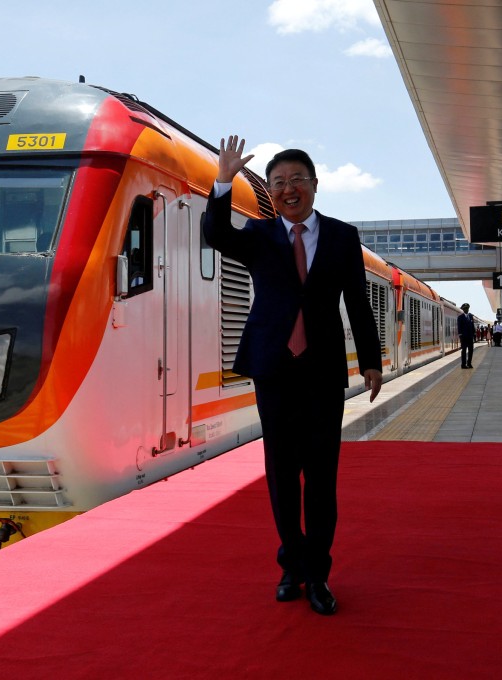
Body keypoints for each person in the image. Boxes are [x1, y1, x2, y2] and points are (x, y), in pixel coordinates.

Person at [202, 137, 383, 616]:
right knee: (282, 475)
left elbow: (359, 304)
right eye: (279, 182)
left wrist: (371, 361)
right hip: (274, 369)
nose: (288, 189)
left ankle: (319, 575)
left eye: (297, 180)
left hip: (323, 370)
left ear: (315, 186)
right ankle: (291, 566)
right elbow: (215, 235)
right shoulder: (259, 235)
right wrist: (223, 180)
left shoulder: (344, 237)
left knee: (321, 477)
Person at [457, 303, 475, 368]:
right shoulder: (460, 317)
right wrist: (460, 336)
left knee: (471, 351)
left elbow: (472, 326)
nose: (466, 310)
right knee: (464, 351)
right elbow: (459, 327)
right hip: (464, 337)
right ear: (463, 309)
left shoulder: (470, 316)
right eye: (465, 309)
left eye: (467, 308)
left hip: (470, 337)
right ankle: (463, 364)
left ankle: (469, 363)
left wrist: (474, 334)